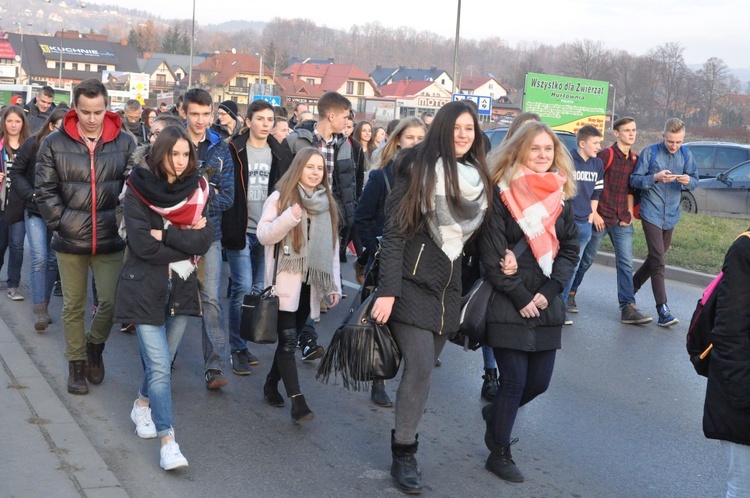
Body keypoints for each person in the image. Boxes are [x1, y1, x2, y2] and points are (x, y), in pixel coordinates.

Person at [371, 101, 491, 494]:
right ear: (441, 128)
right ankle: (404, 453)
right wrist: (388, 291)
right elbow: (392, 233)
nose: (462, 135)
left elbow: (480, 238)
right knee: (420, 367)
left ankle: (404, 441)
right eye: (456, 127)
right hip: (409, 283)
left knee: (423, 373)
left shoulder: (478, 179)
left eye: (469, 129)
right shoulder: (415, 169)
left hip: (448, 290)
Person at [480, 120, 579, 483]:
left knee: (539, 383)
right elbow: (491, 255)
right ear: (520, 150)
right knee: (514, 381)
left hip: (546, 301)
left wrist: (550, 292)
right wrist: (521, 296)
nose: (542, 155)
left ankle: (496, 415)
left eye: (548, 149)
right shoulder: (501, 193)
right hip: (509, 300)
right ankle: (499, 451)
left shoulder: (561, 194)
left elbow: (570, 248)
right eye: (535, 148)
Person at [115, 124, 212, 470]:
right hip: (144, 286)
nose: (181, 161)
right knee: (159, 367)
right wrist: (182, 238)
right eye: (174, 154)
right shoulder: (138, 189)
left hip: (182, 288)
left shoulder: (199, 190)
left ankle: (142, 403)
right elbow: (141, 245)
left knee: (163, 364)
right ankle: (168, 441)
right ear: (161, 154)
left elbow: (204, 240)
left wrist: (167, 232)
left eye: (187, 155)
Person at [36, 78, 136, 394]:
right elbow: (45, 190)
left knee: (109, 302)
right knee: (73, 306)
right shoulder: (54, 142)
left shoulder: (125, 141)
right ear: (74, 108)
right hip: (69, 239)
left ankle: (95, 346)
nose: (92, 118)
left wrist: (123, 222)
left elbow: (135, 186)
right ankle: (76, 365)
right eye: (85, 111)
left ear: (107, 107)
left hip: (109, 238)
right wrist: (62, 222)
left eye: (98, 111)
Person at [256, 147, 341, 423]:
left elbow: (332, 249)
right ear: (299, 169)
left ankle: (271, 383)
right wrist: (289, 218)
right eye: (310, 167)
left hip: (310, 284)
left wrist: (334, 286)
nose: (316, 172)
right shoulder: (281, 198)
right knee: (289, 340)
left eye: (320, 168)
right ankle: (298, 402)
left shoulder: (326, 202)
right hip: (283, 283)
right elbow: (263, 235)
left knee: (288, 343)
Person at [354, 116, 426, 408]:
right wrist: (375, 249)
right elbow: (362, 218)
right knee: (380, 323)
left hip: (418, 264)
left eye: (421, 138)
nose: (416, 143)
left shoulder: (432, 178)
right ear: (397, 141)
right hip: (386, 260)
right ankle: (378, 380)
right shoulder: (382, 177)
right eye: (410, 138)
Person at [280, 91, 355, 360]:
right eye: (345, 116)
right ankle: (302, 336)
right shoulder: (298, 140)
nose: (348, 121)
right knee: (298, 277)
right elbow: (284, 179)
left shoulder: (345, 144)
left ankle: (304, 335)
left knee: (315, 275)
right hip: (298, 217)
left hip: (327, 215)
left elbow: (348, 185)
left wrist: (347, 218)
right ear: (331, 116)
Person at [223, 99, 288, 375]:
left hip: (266, 232)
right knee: (242, 286)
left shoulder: (279, 153)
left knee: (256, 289)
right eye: (259, 119)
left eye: (269, 120)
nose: (265, 124)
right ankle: (237, 348)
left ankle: (243, 343)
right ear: (248, 121)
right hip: (240, 230)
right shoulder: (234, 149)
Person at [566, 117, 652, 325]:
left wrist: (630, 212)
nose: (632, 134)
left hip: (622, 218)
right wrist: (593, 214)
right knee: (585, 260)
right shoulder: (605, 156)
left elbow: (631, 189)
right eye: (627, 130)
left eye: (634, 130)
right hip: (600, 218)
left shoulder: (634, 159)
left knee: (625, 264)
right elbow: (593, 186)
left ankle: (628, 307)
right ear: (616, 133)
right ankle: (570, 294)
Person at [180, 88, 235, 389]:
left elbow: (227, 197)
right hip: (175, 233)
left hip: (209, 233)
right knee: (171, 297)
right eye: (194, 114)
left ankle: (214, 367)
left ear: (212, 114)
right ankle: (165, 357)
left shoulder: (221, 148)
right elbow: (168, 190)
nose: (200, 120)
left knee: (211, 299)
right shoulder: (174, 143)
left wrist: (199, 204)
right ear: (184, 113)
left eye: (205, 114)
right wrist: (203, 193)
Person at [630, 118, 698, 326]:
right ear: (663, 136)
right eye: (670, 141)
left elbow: (695, 180)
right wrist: (655, 178)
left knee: (655, 259)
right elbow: (634, 180)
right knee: (658, 259)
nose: (674, 146)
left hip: (672, 215)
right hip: (651, 212)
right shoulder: (650, 153)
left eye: (678, 142)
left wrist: (688, 181)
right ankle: (663, 309)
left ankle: (630, 287)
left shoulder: (686, 154)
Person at [8, 107, 66, 330]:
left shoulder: (71, 149)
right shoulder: (33, 144)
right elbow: (17, 173)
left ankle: (45, 303)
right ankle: (39, 309)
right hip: (34, 210)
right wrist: (31, 194)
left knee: (52, 259)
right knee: (40, 257)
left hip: (58, 212)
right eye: (61, 128)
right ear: (51, 126)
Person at [702, 230, 750, 498]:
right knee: (744, 489)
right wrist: (743, 397)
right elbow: (730, 333)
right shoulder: (745, 249)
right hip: (741, 396)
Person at [561, 125, 604, 326]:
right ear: (582, 143)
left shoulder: (597, 164)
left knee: (574, 266)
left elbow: (596, 193)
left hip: (584, 223)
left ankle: (560, 308)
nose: (599, 146)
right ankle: (553, 306)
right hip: (565, 222)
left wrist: (590, 216)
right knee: (559, 264)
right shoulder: (567, 160)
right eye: (595, 143)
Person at [0, 105, 30, 301]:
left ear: (22, 123)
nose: (13, 125)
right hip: (2, 202)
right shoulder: (0, 146)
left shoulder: (30, 145)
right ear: (4, 122)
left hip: (20, 203)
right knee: (1, 244)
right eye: (9, 121)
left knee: (17, 245)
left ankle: (13, 285)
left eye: (17, 121)